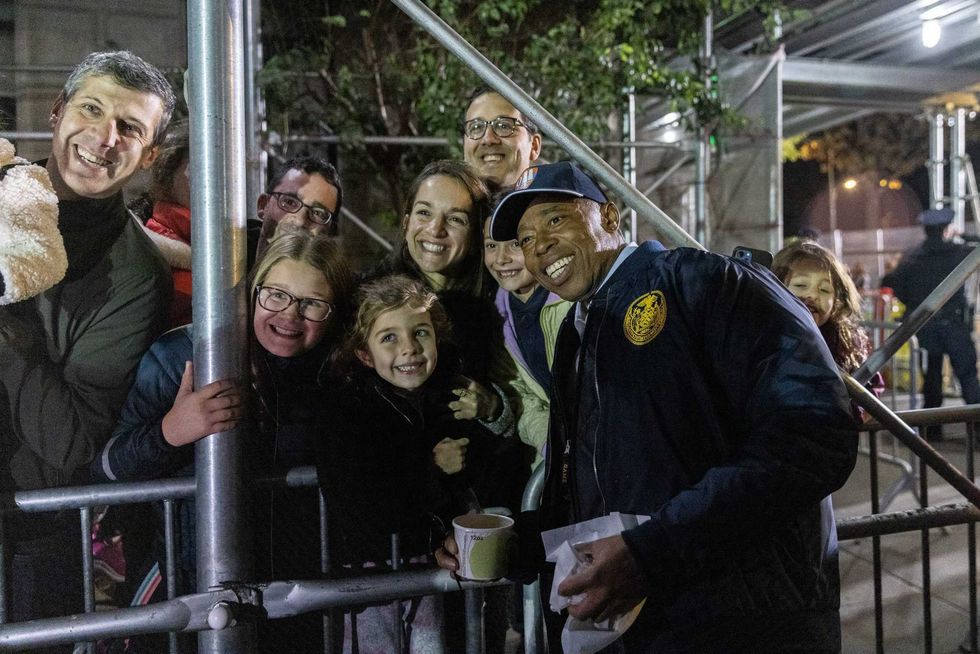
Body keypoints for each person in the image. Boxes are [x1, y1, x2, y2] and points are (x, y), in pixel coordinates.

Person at [438, 161, 858, 653]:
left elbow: (814, 435)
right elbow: (602, 486)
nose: (540, 246)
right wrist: (523, 545)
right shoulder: (577, 331)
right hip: (646, 627)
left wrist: (652, 550)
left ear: (609, 217)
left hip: (746, 625)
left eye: (555, 220)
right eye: (525, 239)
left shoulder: (706, 280)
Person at [91, 226, 354, 651]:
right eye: (276, 295)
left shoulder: (338, 373)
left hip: (295, 591)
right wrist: (171, 432)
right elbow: (106, 469)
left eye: (312, 303)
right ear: (253, 292)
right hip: (184, 583)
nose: (290, 314)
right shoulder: (184, 356)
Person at [0, 51, 175, 637]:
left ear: (149, 156)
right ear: (57, 111)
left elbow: (72, 443)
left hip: (27, 536)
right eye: (92, 110)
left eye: (130, 128)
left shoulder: (134, 276)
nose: (104, 138)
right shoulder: (4, 189)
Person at [318, 274, 505, 653]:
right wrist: (432, 469)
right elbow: (362, 499)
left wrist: (489, 414)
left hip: (436, 568)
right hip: (373, 575)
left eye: (420, 332)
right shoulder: (350, 412)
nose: (409, 348)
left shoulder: (451, 396)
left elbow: (483, 467)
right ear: (364, 353)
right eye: (389, 337)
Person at [881, 207, 980, 441]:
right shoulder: (957, 252)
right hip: (955, 325)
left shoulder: (911, 257)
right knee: (967, 377)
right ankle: (977, 430)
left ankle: (932, 431)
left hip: (925, 325)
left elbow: (894, 284)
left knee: (931, 378)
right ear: (946, 229)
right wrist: (964, 236)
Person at [483, 218, 570, 464]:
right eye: (491, 246)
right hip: (557, 455)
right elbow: (520, 394)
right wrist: (549, 442)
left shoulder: (573, 300)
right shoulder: (497, 315)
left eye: (515, 244)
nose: (501, 259)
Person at [772, 240, 885, 421]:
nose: (813, 295)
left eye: (824, 290)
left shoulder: (847, 343)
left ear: (837, 301)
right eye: (801, 285)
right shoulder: (763, 337)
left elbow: (871, 387)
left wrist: (854, 413)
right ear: (773, 288)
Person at [136, 124, 193, 327]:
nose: (210, 181)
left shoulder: (241, 243)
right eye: (198, 168)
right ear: (167, 176)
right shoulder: (143, 243)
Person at [249, 155, 343, 266]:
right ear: (263, 205)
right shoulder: (232, 248)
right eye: (289, 202)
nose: (300, 221)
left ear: (330, 231)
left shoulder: (333, 275)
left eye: (318, 213)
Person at [462, 87, 542, 192]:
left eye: (504, 126)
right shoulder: (444, 199)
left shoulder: (555, 199)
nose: (488, 139)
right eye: (476, 127)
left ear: (534, 146)